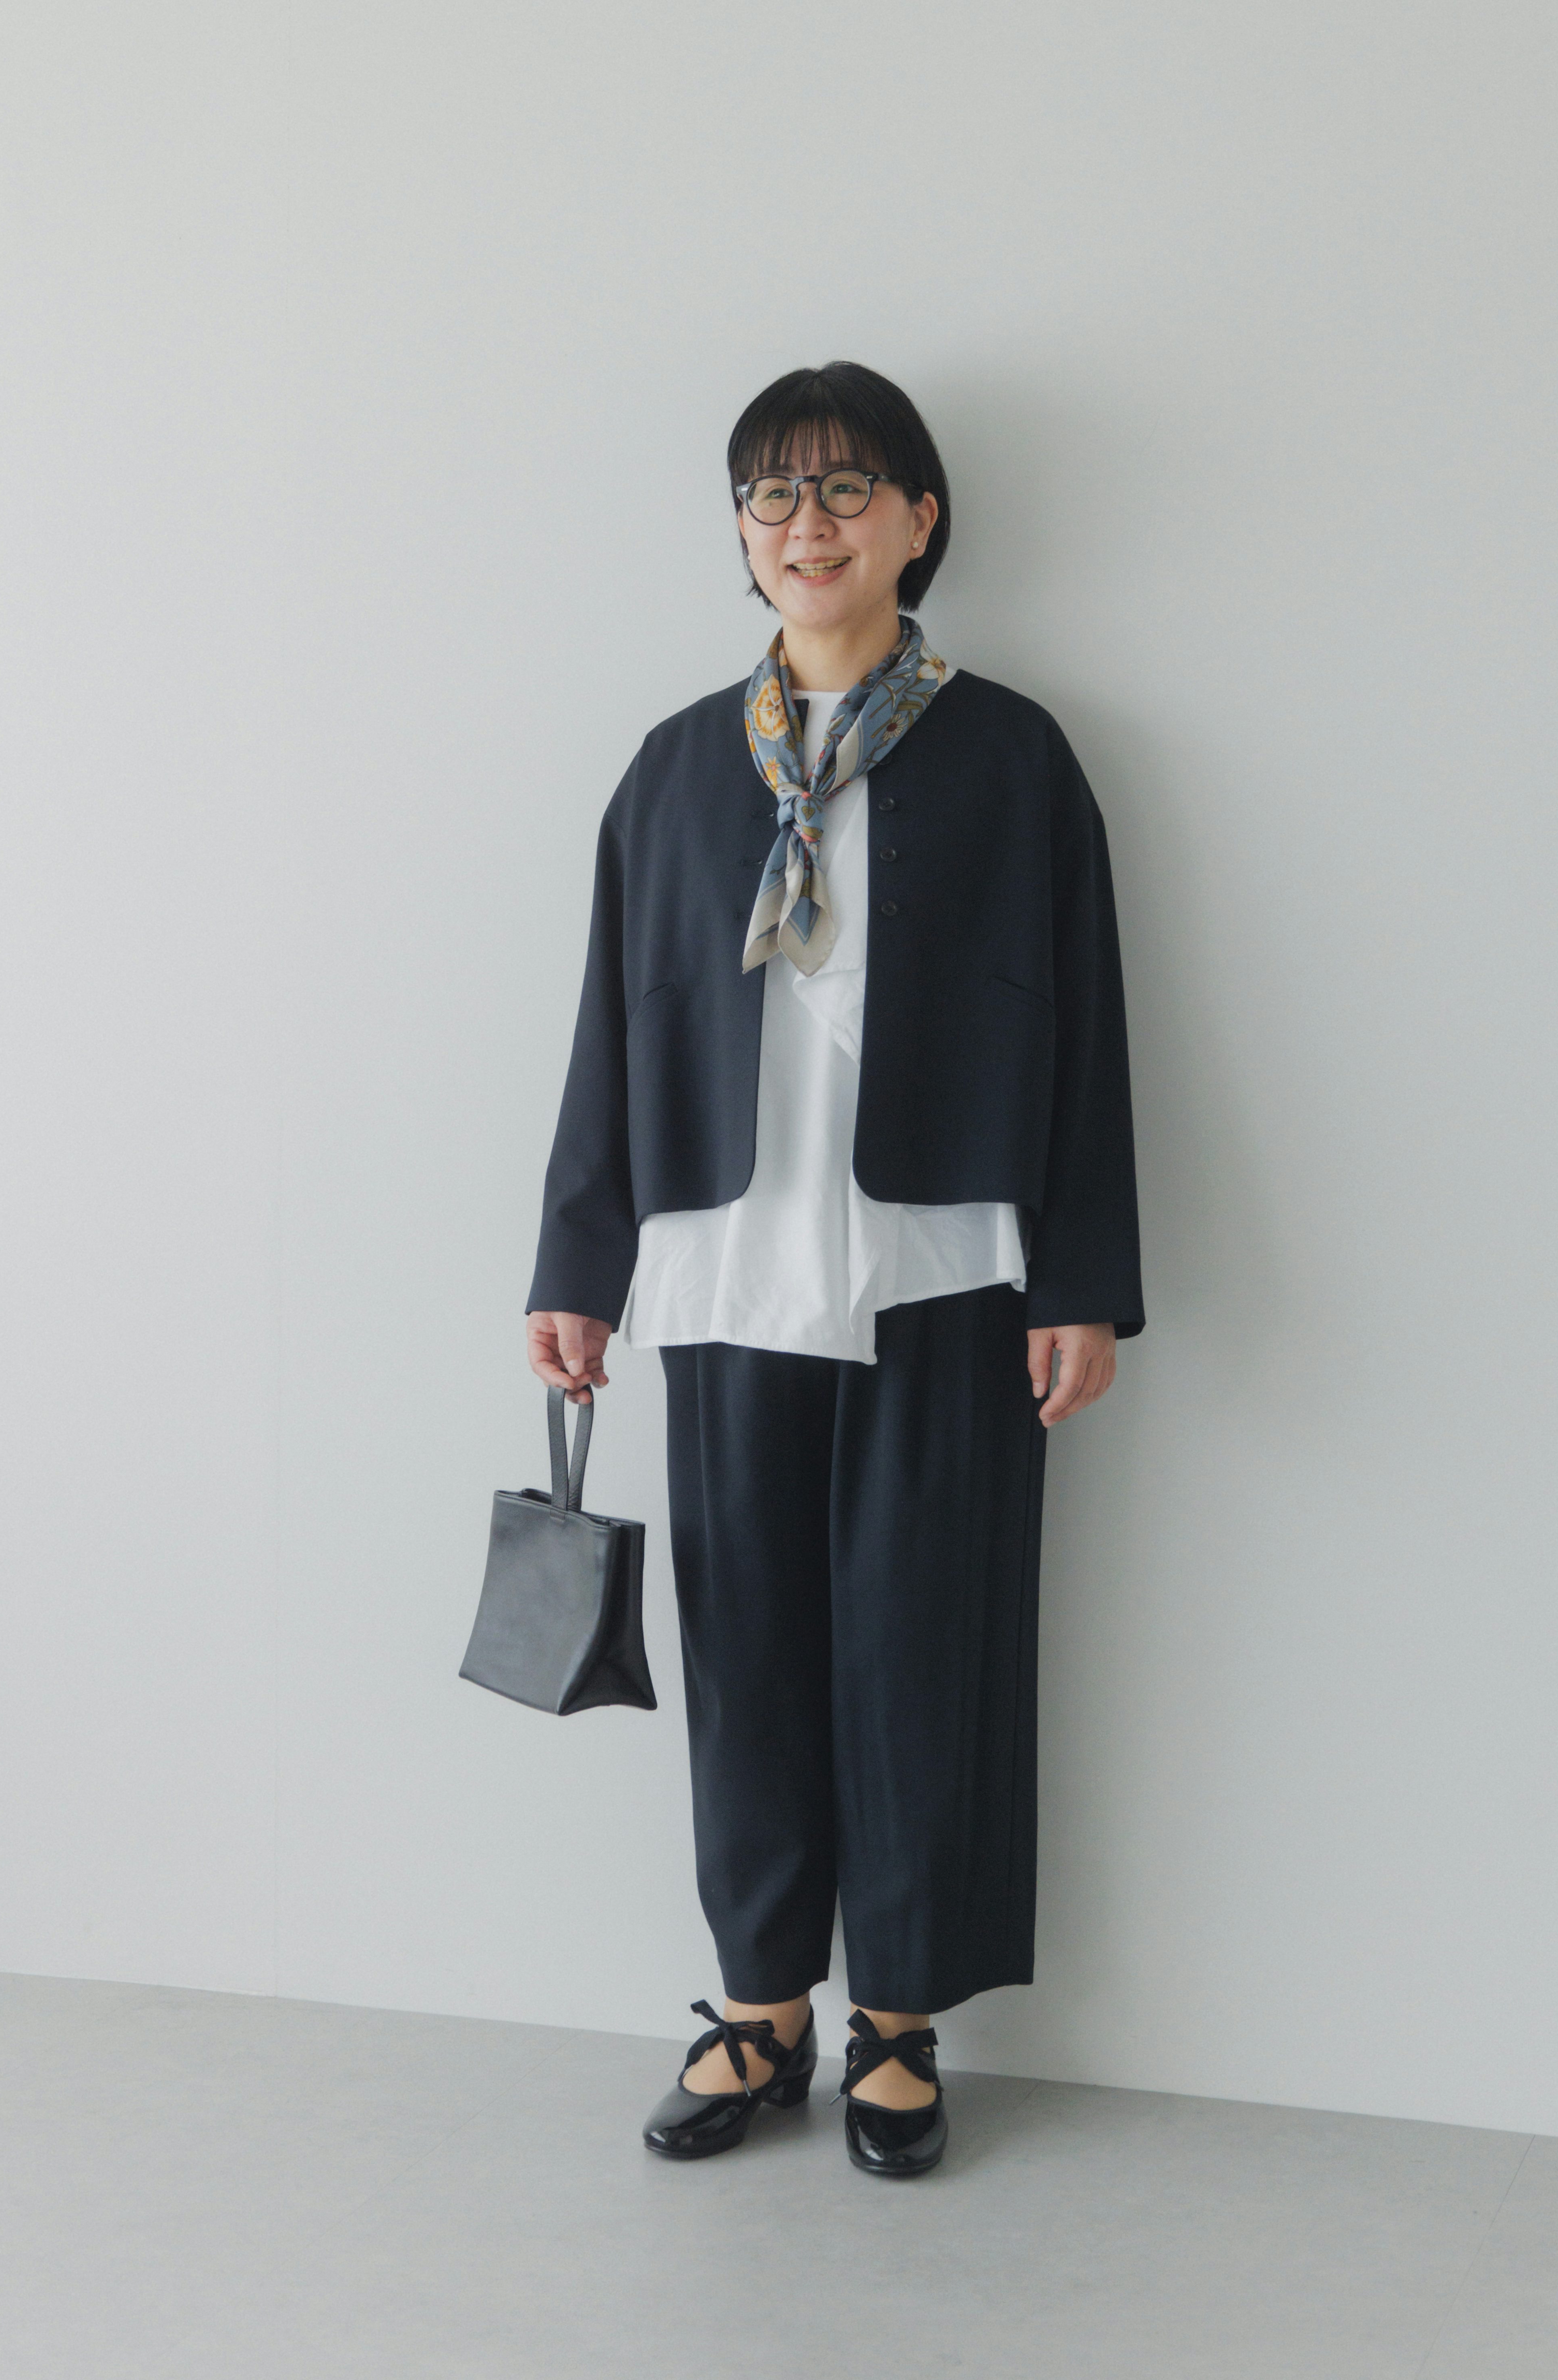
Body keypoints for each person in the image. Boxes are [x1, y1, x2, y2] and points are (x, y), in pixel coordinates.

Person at [523, 361, 1144, 2178]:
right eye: (774, 495)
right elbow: (611, 1029)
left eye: (849, 489)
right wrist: (576, 1264)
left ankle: (900, 2019)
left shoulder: (1012, 757)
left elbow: (1089, 1032)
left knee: (926, 1646)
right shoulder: (674, 768)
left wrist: (1079, 1277)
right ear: (742, 535)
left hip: (941, 1264)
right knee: (749, 1658)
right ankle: (759, 2005)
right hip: (722, 1267)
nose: (809, 524)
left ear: (919, 520)